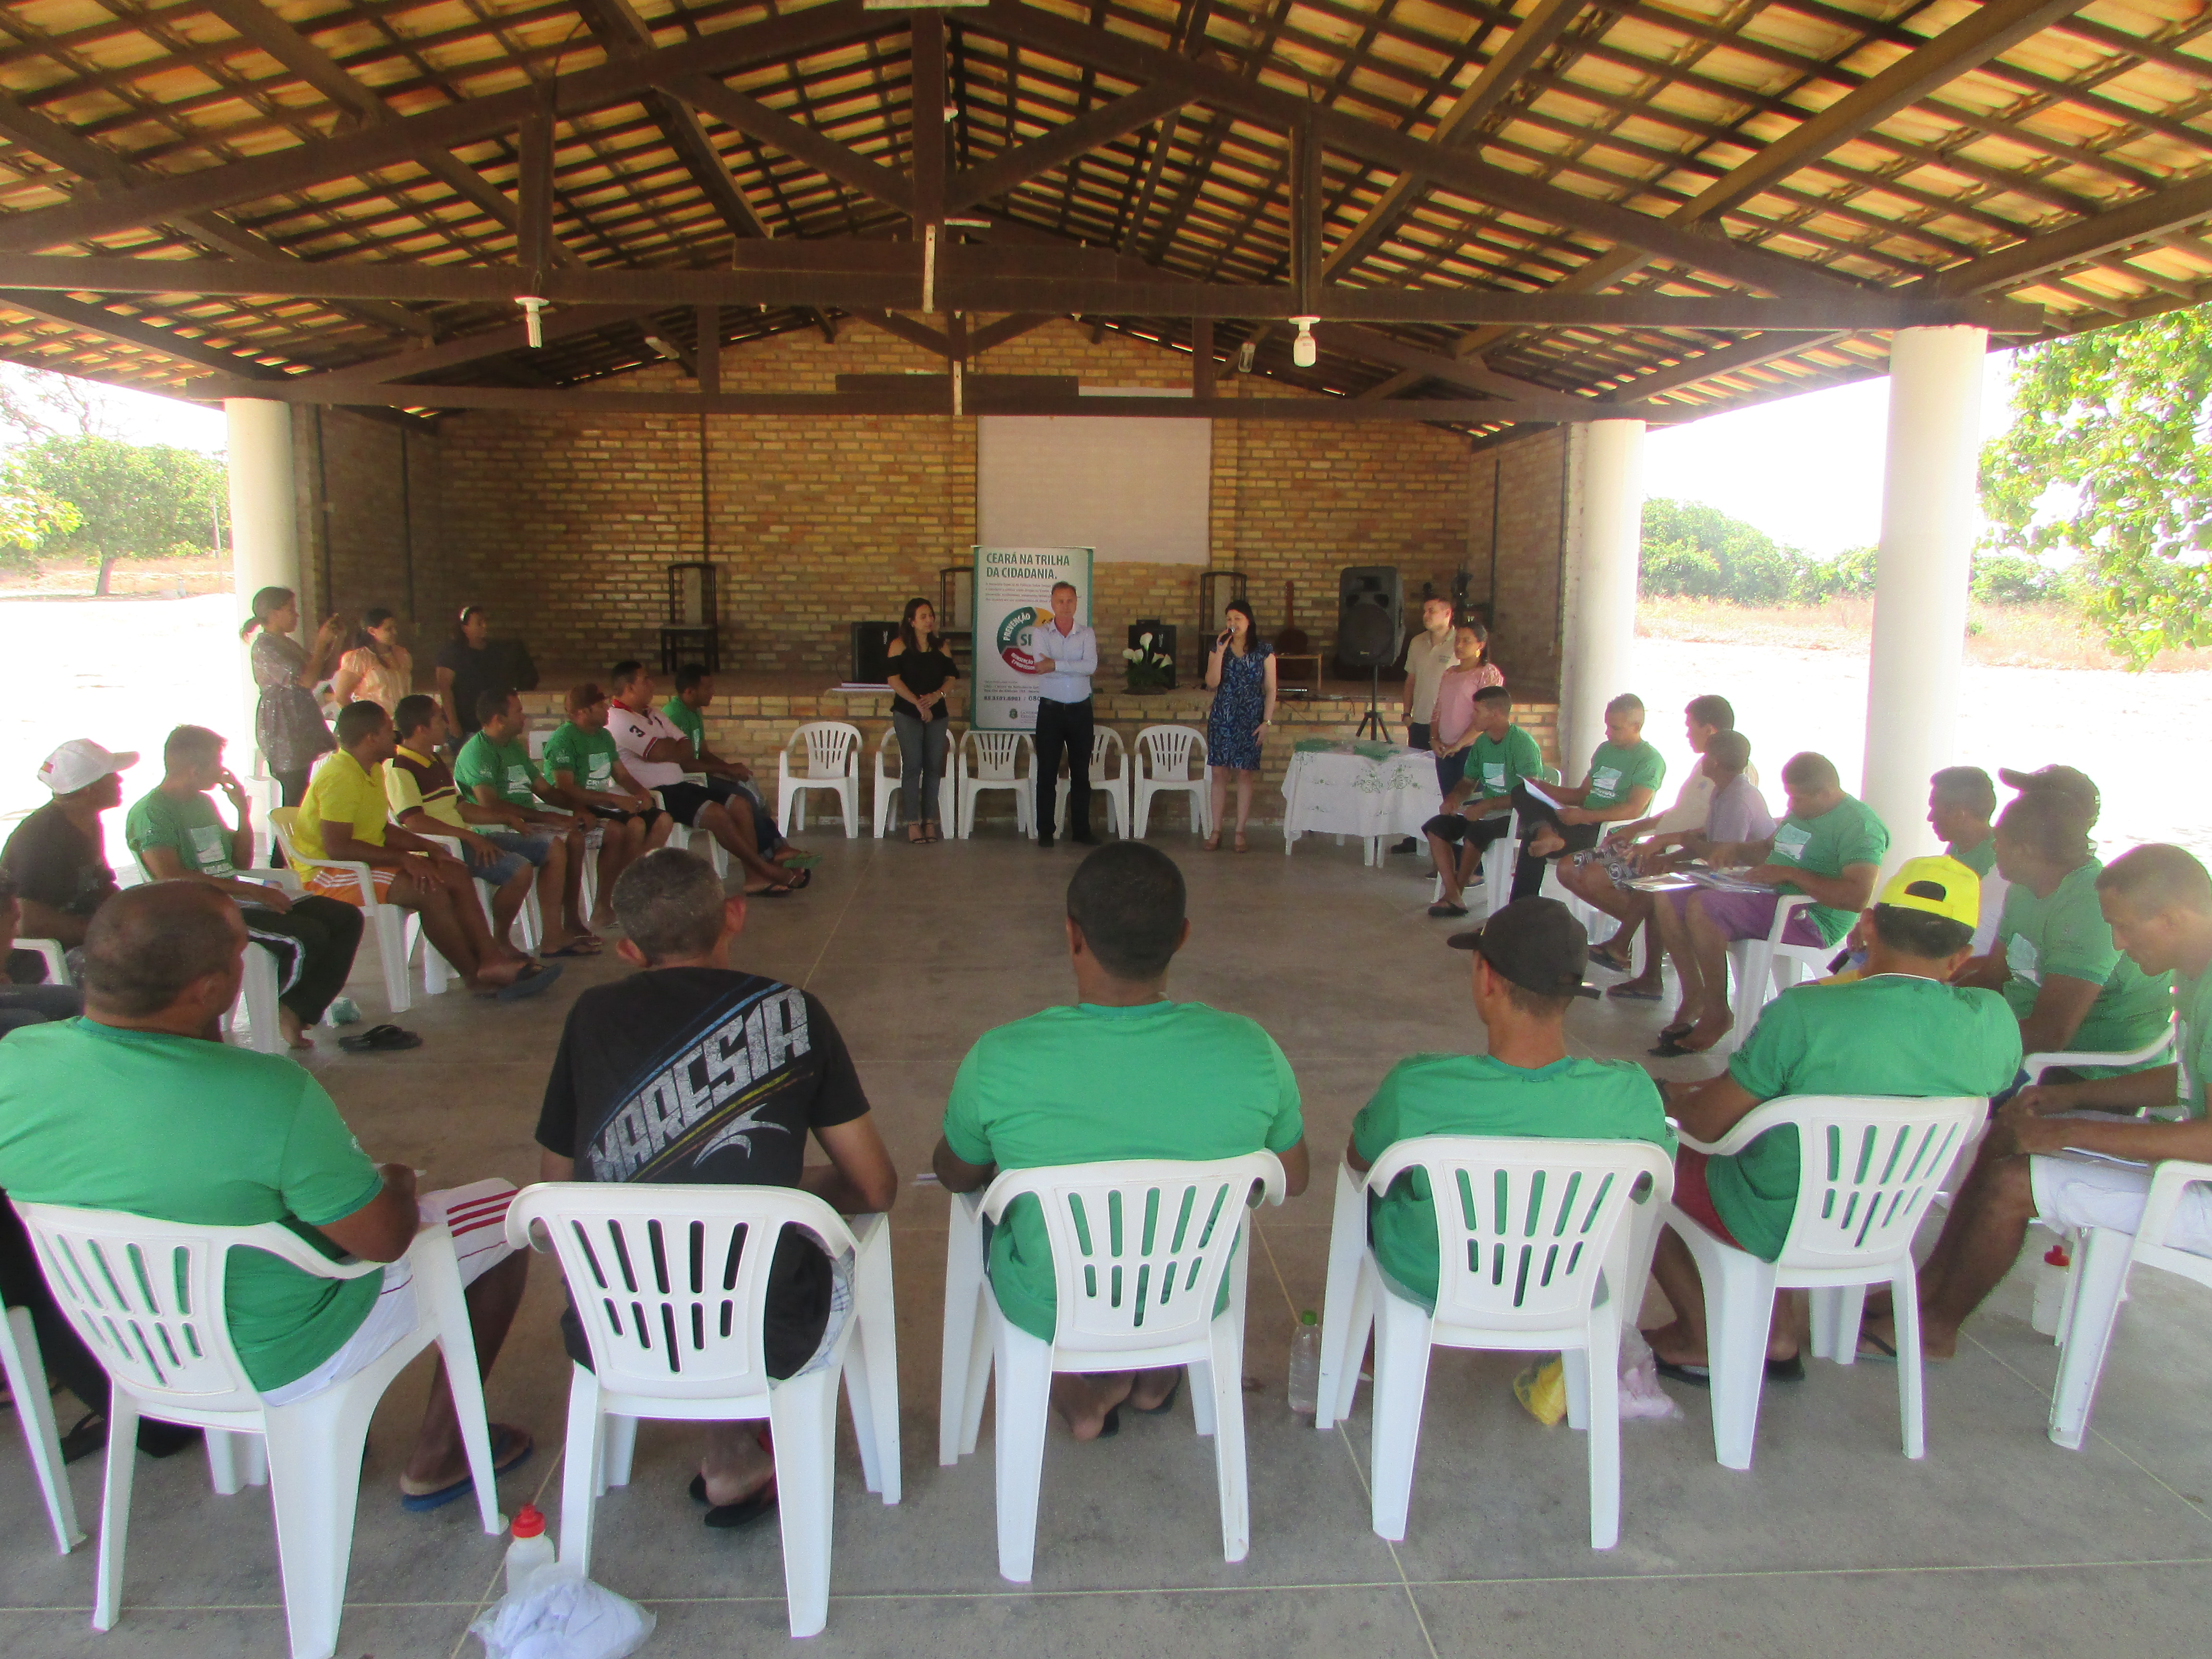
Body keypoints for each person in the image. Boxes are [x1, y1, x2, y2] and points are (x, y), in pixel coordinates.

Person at [0, 884, 536, 1505]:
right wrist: (396, 1180)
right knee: (503, 1211)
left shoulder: (17, 1060)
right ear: (206, 989)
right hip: (281, 1354)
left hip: (125, 1344)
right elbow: (386, 1240)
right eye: (237, 955)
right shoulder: (267, 1093)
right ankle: (440, 1453)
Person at [535, 850, 897, 1527]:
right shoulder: (792, 1012)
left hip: (616, 1323)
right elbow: (875, 1186)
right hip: (771, 1333)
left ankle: (728, 1445)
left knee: (686, 1237)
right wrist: (788, 1191)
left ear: (626, 950)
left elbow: (556, 1195)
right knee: (793, 1244)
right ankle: (736, 1441)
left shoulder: (588, 1017)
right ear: (736, 914)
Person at [931, 842, 1310, 1439]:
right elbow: (1295, 1175)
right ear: (1183, 937)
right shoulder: (1251, 1052)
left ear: (1072, 936)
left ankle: (1075, 1391)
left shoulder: (1001, 1059)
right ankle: (1156, 1373)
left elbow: (956, 1174)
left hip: (1056, 1302)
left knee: (990, 1224)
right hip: (1187, 1292)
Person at [1642, 859, 2023, 1382]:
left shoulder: (1806, 1012)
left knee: (1648, 1161)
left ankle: (1702, 1337)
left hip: (1774, 1213)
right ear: (1961, 957)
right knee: (1805, 1154)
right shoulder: (1993, 1021)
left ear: (1868, 925)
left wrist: (1671, 1102)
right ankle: (1779, 1324)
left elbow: (1710, 1127)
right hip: (1882, 1218)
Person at [1864, 844, 2212, 1361]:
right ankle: (1926, 1288)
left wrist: (2067, 1132)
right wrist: (2070, 1096)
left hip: (2200, 1187)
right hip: (2193, 1167)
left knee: (2014, 1183)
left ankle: (1936, 1329)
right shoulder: (2194, 971)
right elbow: (2186, 1081)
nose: (2116, 942)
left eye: (2125, 928)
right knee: (2011, 1128)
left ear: (2174, 918)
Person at [1349, 899, 1675, 1310]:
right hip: (1565, 1277)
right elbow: (1651, 1182)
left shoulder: (1418, 1086)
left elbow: (1360, 1158)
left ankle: (1375, 1352)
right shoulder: (1631, 1093)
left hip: (1433, 1274)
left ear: (1486, 978)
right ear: (1571, 993)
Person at [293, 700, 558, 1000]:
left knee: (456, 873)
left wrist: (428, 848)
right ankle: (474, 975)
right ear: (371, 738)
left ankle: (492, 961)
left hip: (361, 860)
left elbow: (379, 830)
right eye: (387, 731)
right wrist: (404, 858)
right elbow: (338, 847)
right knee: (429, 889)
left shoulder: (369, 771)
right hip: (328, 872)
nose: (395, 735)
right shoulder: (340, 776)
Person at [124, 724, 364, 1050]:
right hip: (196, 911)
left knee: (345, 918)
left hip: (231, 896)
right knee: (306, 935)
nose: (223, 770)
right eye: (216, 763)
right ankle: (285, 1008)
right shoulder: (152, 812)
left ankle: (298, 1008)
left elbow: (239, 860)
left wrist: (241, 812)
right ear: (195, 769)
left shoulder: (202, 803)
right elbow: (171, 877)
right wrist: (252, 891)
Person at [1647, 751, 1886, 1056]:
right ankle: (1695, 995)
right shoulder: (1805, 813)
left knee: (1704, 906)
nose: (1791, 806)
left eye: (1797, 799)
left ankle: (1718, 1012)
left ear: (1825, 793)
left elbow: (1856, 897)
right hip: (1770, 898)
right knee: (1669, 895)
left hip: (1810, 917)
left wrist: (1788, 873)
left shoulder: (1860, 827)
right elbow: (1767, 851)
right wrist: (1733, 851)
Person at [1952, 788, 2173, 1072]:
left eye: (2000, 842)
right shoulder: (2022, 887)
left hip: (2087, 1066)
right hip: (2017, 1033)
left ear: (2026, 850)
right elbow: (1993, 976)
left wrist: (1949, 1043)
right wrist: (1934, 1002)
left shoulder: (2089, 904)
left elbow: (2050, 1033)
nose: (1994, 848)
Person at [1589, 731, 1775, 1002]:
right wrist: (1673, 857)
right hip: (1728, 871)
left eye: (1707, 757)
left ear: (1714, 762)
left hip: (1744, 880)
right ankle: (1643, 968)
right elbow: (1707, 840)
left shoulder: (1738, 798)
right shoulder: (1724, 790)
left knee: (1663, 883)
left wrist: (1678, 850)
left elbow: (1722, 857)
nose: (1703, 762)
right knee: (1660, 874)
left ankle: (1632, 953)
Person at [1579, 696, 1757, 973]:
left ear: (1710, 730)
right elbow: (1679, 813)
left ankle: (1631, 945)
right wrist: (1637, 828)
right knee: (1574, 868)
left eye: (1690, 727)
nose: (1687, 734)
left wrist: (1664, 844)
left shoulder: (1735, 777)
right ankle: (1636, 942)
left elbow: (1717, 842)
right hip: (1667, 847)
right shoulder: (1705, 766)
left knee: (1651, 875)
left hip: (1692, 860)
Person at [607, 661, 806, 896]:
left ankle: (755, 878)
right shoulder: (618, 719)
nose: (652, 684)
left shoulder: (654, 715)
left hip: (681, 783)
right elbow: (660, 752)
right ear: (630, 688)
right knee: (717, 814)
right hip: (657, 792)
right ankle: (764, 869)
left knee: (741, 803)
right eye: (646, 680)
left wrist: (670, 749)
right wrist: (669, 748)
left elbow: (686, 748)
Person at [386, 695, 552, 954]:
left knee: (548, 847)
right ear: (421, 729)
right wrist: (469, 838)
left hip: (465, 839)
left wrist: (506, 818)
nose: (447, 723)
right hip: (441, 849)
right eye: (440, 718)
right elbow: (414, 821)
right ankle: (499, 941)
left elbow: (461, 807)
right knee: (519, 870)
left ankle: (551, 933)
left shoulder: (433, 760)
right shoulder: (400, 767)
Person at [454, 690, 600, 956]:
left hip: (525, 821)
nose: (525, 718)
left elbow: (544, 790)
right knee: (561, 842)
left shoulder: (512, 746)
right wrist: (551, 818)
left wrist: (576, 809)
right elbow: (489, 804)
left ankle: (565, 923)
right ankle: (553, 933)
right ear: (499, 719)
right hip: (496, 827)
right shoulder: (477, 751)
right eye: (519, 712)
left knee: (576, 836)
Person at [1508, 692, 1662, 903]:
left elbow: (1634, 809)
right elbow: (1581, 795)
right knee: (1521, 791)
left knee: (1533, 838)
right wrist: (1542, 787)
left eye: (1615, 728)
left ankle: (1522, 907)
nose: (1608, 733)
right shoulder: (1605, 750)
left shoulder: (1649, 760)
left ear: (1636, 727)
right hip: (1577, 820)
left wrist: (1584, 817)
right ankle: (1546, 833)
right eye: (1607, 726)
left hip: (1606, 832)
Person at [540, 683, 673, 925]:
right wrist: (614, 799)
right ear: (582, 712)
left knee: (663, 820)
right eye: (601, 706)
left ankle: (632, 889)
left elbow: (621, 775)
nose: (608, 709)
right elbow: (566, 788)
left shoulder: (604, 736)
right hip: (577, 804)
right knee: (632, 827)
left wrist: (642, 793)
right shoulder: (564, 739)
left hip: (603, 801)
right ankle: (607, 903)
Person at [1, 739, 131, 959]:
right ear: (89, 789)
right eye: (111, 775)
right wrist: (108, 934)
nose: (119, 779)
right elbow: (27, 922)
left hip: (85, 937)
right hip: (45, 959)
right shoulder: (40, 839)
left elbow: (101, 885)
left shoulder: (87, 821)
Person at [1421, 685, 1541, 919]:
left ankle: (1457, 894)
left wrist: (1488, 805)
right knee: (1436, 828)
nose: (1472, 716)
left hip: (1514, 814)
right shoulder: (1483, 743)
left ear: (1495, 714)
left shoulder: (1522, 744)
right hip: (1486, 810)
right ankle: (1453, 895)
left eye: (1477, 711)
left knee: (1476, 832)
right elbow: (1468, 780)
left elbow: (1530, 792)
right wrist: (1455, 798)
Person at [661, 664, 795, 863]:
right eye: (707, 688)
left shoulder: (693, 711)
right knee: (744, 798)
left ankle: (777, 845)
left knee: (750, 787)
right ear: (690, 691)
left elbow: (703, 752)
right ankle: (767, 853)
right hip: (687, 781)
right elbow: (685, 764)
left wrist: (730, 770)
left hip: (701, 774)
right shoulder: (673, 716)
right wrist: (725, 769)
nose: (713, 692)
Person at [242, 586, 342, 805]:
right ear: (273, 613)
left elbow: (322, 673)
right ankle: (285, 840)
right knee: (294, 793)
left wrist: (332, 642)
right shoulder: (264, 645)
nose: (296, 615)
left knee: (312, 792)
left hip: (301, 719)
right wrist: (320, 643)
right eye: (290, 609)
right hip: (284, 724)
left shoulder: (285, 642)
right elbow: (305, 680)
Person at [1024, 581, 1098, 850]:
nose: (1065, 606)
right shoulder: (1041, 633)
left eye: (1070, 601)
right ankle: (1045, 831)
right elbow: (1039, 667)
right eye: (1060, 601)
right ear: (1052, 604)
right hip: (1051, 711)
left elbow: (1090, 667)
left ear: (1076, 603)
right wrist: (1070, 666)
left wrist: (1055, 663)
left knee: (1081, 773)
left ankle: (1082, 830)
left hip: (1081, 710)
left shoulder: (1086, 634)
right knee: (1047, 773)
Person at [1202, 597, 1276, 854]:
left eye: (1238, 619)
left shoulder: (1264, 650)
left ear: (1249, 621)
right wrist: (1220, 653)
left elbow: (1270, 689)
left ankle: (1240, 831)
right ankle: (1216, 830)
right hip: (1223, 716)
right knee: (1219, 773)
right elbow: (1211, 683)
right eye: (1229, 619)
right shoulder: (1219, 647)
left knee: (1245, 773)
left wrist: (1267, 721)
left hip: (1251, 718)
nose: (1233, 624)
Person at [885, 600, 958, 844]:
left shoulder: (941, 647)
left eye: (931, 615)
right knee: (913, 765)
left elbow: (951, 678)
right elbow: (894, 680)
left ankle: (929, 821)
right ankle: (912, 822)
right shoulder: (899, 645)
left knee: (933, 768)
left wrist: (937, 696)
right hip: (908, 712)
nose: (929, 620)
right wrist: (918, 703)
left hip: (937, 713)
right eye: (923, 616)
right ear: (911, 621)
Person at [1392, 596, 1460, 854]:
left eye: (1432, 611)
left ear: (1447, 614)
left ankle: (1446, 841)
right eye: (1424, 610)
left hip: (1447, 727)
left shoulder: (1459, 643)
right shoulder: (1417, 642)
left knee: (1444, 783)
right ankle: (1413, 836)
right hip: (1419, 721)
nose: (1426, 615)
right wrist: (1407, 713)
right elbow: (1411, 680)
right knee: (1415, 782)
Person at [1428, 620, 1509, 802]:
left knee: (1471, 803)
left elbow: (1487, 716)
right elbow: (1438, 710)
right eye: (1457, 640)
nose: (1459, 645)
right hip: (1445, 749)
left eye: (1466, 641)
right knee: (1450, 803)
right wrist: (1434, 739)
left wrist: (1459, 744)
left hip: (1472, 749)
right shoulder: (1449, 673)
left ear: (1480, 645)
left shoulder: (1487, 673)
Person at [1929, 766, 2005, 955]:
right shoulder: (1959, 847)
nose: (1930, 817)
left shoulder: (1997, 862)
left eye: (1935, 809)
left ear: (1960, 814)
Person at [435, 604, 505, 744]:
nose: (485, 626)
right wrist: (453, 724)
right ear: (464, 628)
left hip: (488, 726)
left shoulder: (493, 651)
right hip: (465, 725)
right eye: (479, 623)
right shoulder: (452, 654)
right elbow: (445, 689)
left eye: (485, 622)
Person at [330, 606, 413, 714]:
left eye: (395, 628)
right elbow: (341, 698)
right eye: (388, 629)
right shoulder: (358, 658)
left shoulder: (402, 654)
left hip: (403, 723)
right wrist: (364, 722)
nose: (395, 632)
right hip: (376, 726)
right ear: (372, 631)